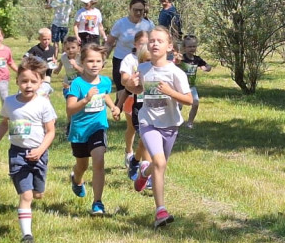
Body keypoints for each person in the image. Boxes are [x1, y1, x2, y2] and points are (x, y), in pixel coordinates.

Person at [0, 58, 57, 243]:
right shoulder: (10, 102)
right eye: (24, 81)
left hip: (39, 154)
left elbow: (51, 131)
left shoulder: (43, 104)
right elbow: (4, 124)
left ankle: (35, 193)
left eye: (33, 81)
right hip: (17, 153)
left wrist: (40, 150)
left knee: (38, 193)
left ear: (41, 82)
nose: (28, 85)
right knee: (26, 195)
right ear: (16, 81)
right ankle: (27, 235)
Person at [127, 26, 193, 227]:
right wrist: (131, 84)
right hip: (148, 121)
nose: (155, 44)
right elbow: (137, 90)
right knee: (160, 162)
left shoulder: (175, 72)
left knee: (159, 164)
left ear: (169, 46)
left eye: (160, 41)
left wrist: (170, 92)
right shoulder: (144, 68)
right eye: (152, 40)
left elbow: (189, 100)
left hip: (170, 124)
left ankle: (143, 174)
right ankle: (160, 211)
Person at [66, 43, 121, 216]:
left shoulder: (105, 81)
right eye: (90, 61)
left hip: (98, 127)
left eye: (98, 61)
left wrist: (114, 107)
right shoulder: (77, 84)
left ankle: (98, 202)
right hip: (79, 131)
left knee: (98, 161)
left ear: (103, 63)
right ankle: (76, 179)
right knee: (82, 166)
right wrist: (85, 100)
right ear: (82, 62)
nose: (94, 64)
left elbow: (104, 95)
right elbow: (70, 109)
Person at [105, 0, 154, 109]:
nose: (138, 12)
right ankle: (120, 109)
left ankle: (135, 113)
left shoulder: (149, 25)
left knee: (138, 90)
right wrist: (104, 57)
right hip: (121, 59)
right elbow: (109, 43)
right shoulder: (120, 24)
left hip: (141, 61)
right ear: (130, 8)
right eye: (135, 10)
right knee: (123, 89)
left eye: (140, 10)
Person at [119, 29, 151, 178]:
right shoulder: (130, 59)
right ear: (135, 44)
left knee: (145, 138)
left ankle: (141, 164)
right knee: (132, 128)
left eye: (147, 43)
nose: (144, 47)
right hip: (133, 99)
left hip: (150, 103)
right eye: (141, 44)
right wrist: (130, 81)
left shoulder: (154, 59)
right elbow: (123, 80)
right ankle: (129, 151)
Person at [178, 34, 212, 128]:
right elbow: (174, 64)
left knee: (195, 103)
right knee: (179, 106)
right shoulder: (182, 58)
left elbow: (207, 66)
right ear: (184, 48)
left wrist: (206, 68)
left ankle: (190, 122)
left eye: (194, 46)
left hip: (191, 86)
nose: (192, 48)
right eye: (189, 46)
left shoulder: (197, 59)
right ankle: (176, 121)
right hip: (180, 87)